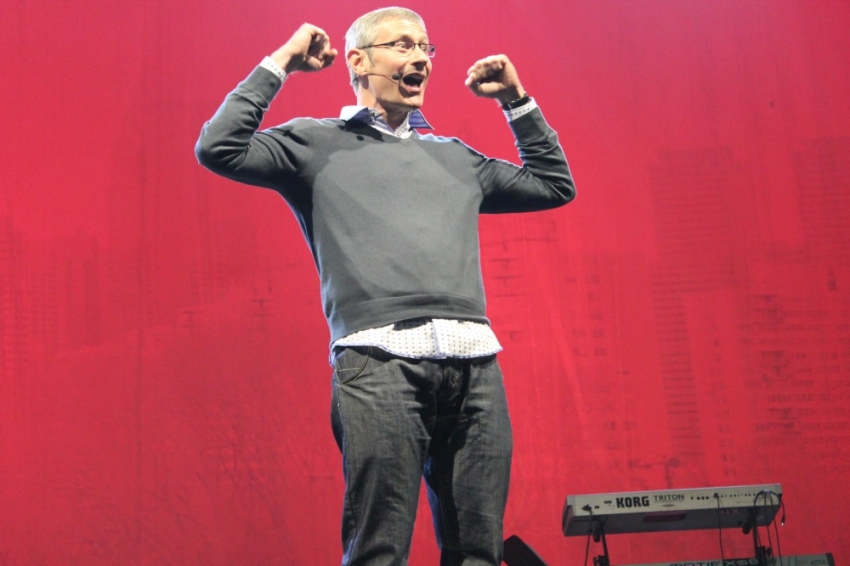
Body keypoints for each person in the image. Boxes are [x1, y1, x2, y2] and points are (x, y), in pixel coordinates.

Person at [195, 7, 575, 565]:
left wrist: (515, 100)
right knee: (380, 548)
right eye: (401, 45)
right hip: (378, 364)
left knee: (479, 552)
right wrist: (281, 63)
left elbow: (553, 184)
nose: (419, 57)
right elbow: (219, 146)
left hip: (474, 366)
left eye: (425, 48)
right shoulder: (314, 143)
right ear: (358, 61)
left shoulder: (455, 158)